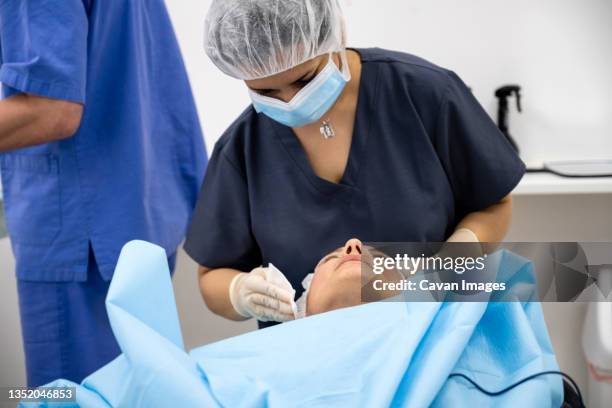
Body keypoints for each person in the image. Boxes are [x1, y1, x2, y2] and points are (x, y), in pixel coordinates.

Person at [184, 0, 525, 328]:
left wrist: (454, 259)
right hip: (308, 360)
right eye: (267, 92)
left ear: (335, 35)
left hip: (428, 337)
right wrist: (239, 293)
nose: (291, 103)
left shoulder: (424, 94)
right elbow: (212, 276)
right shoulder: (242, 148)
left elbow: (494, 204)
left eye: (305, 80)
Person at [0, 0, 207, 386]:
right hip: (137, 209)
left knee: (65, 396)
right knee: (137, 392)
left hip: (82, 240)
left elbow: (53, 109)